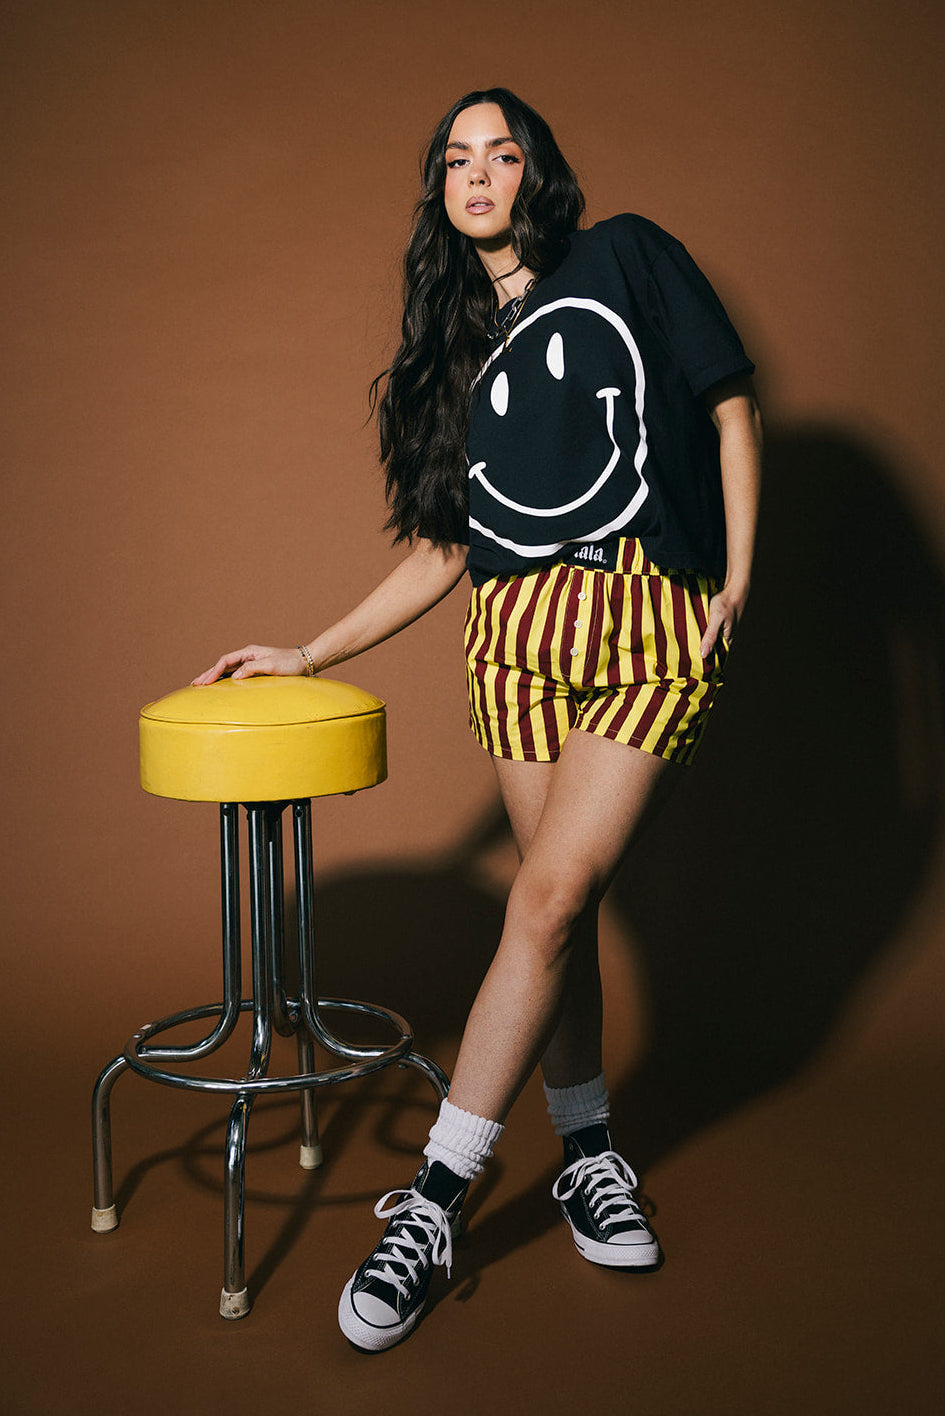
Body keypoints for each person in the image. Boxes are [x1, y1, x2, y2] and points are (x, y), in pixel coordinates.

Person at [193, 87, 762, 1352]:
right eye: (458, 159)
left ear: (536, 173)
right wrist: (308, 649)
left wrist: (735, 575)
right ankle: (588, 1152)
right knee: (553, 917)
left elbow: (731, 402)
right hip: (512, 649)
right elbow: (446, 548)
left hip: (640, 620)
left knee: (549, 898)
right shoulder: (449, 352)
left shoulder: (627, 257)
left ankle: (437, 1200)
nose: (481, 174)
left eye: (504, 153)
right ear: (442, 192)